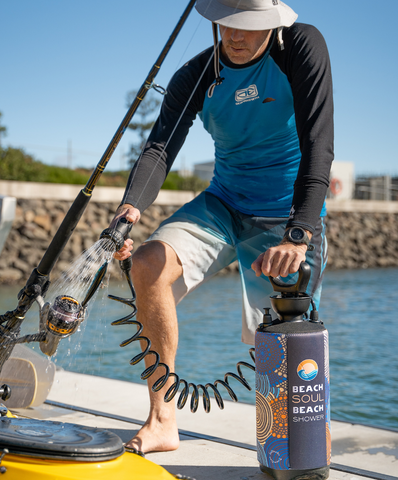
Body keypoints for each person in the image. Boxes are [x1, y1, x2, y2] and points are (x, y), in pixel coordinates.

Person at [110, 0, 333, 455]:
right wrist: (129, 209)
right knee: (148, 265)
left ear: (272, 23)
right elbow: (159, 149)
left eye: (249, 27)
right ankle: (161, 421)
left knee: (276, 346)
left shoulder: (301, 47)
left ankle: (308, 437)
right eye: (227, 24)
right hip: (223, 203)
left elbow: (319, 141)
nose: (236, 36)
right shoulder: (195, 75)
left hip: (286, 216)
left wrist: (301, 231)